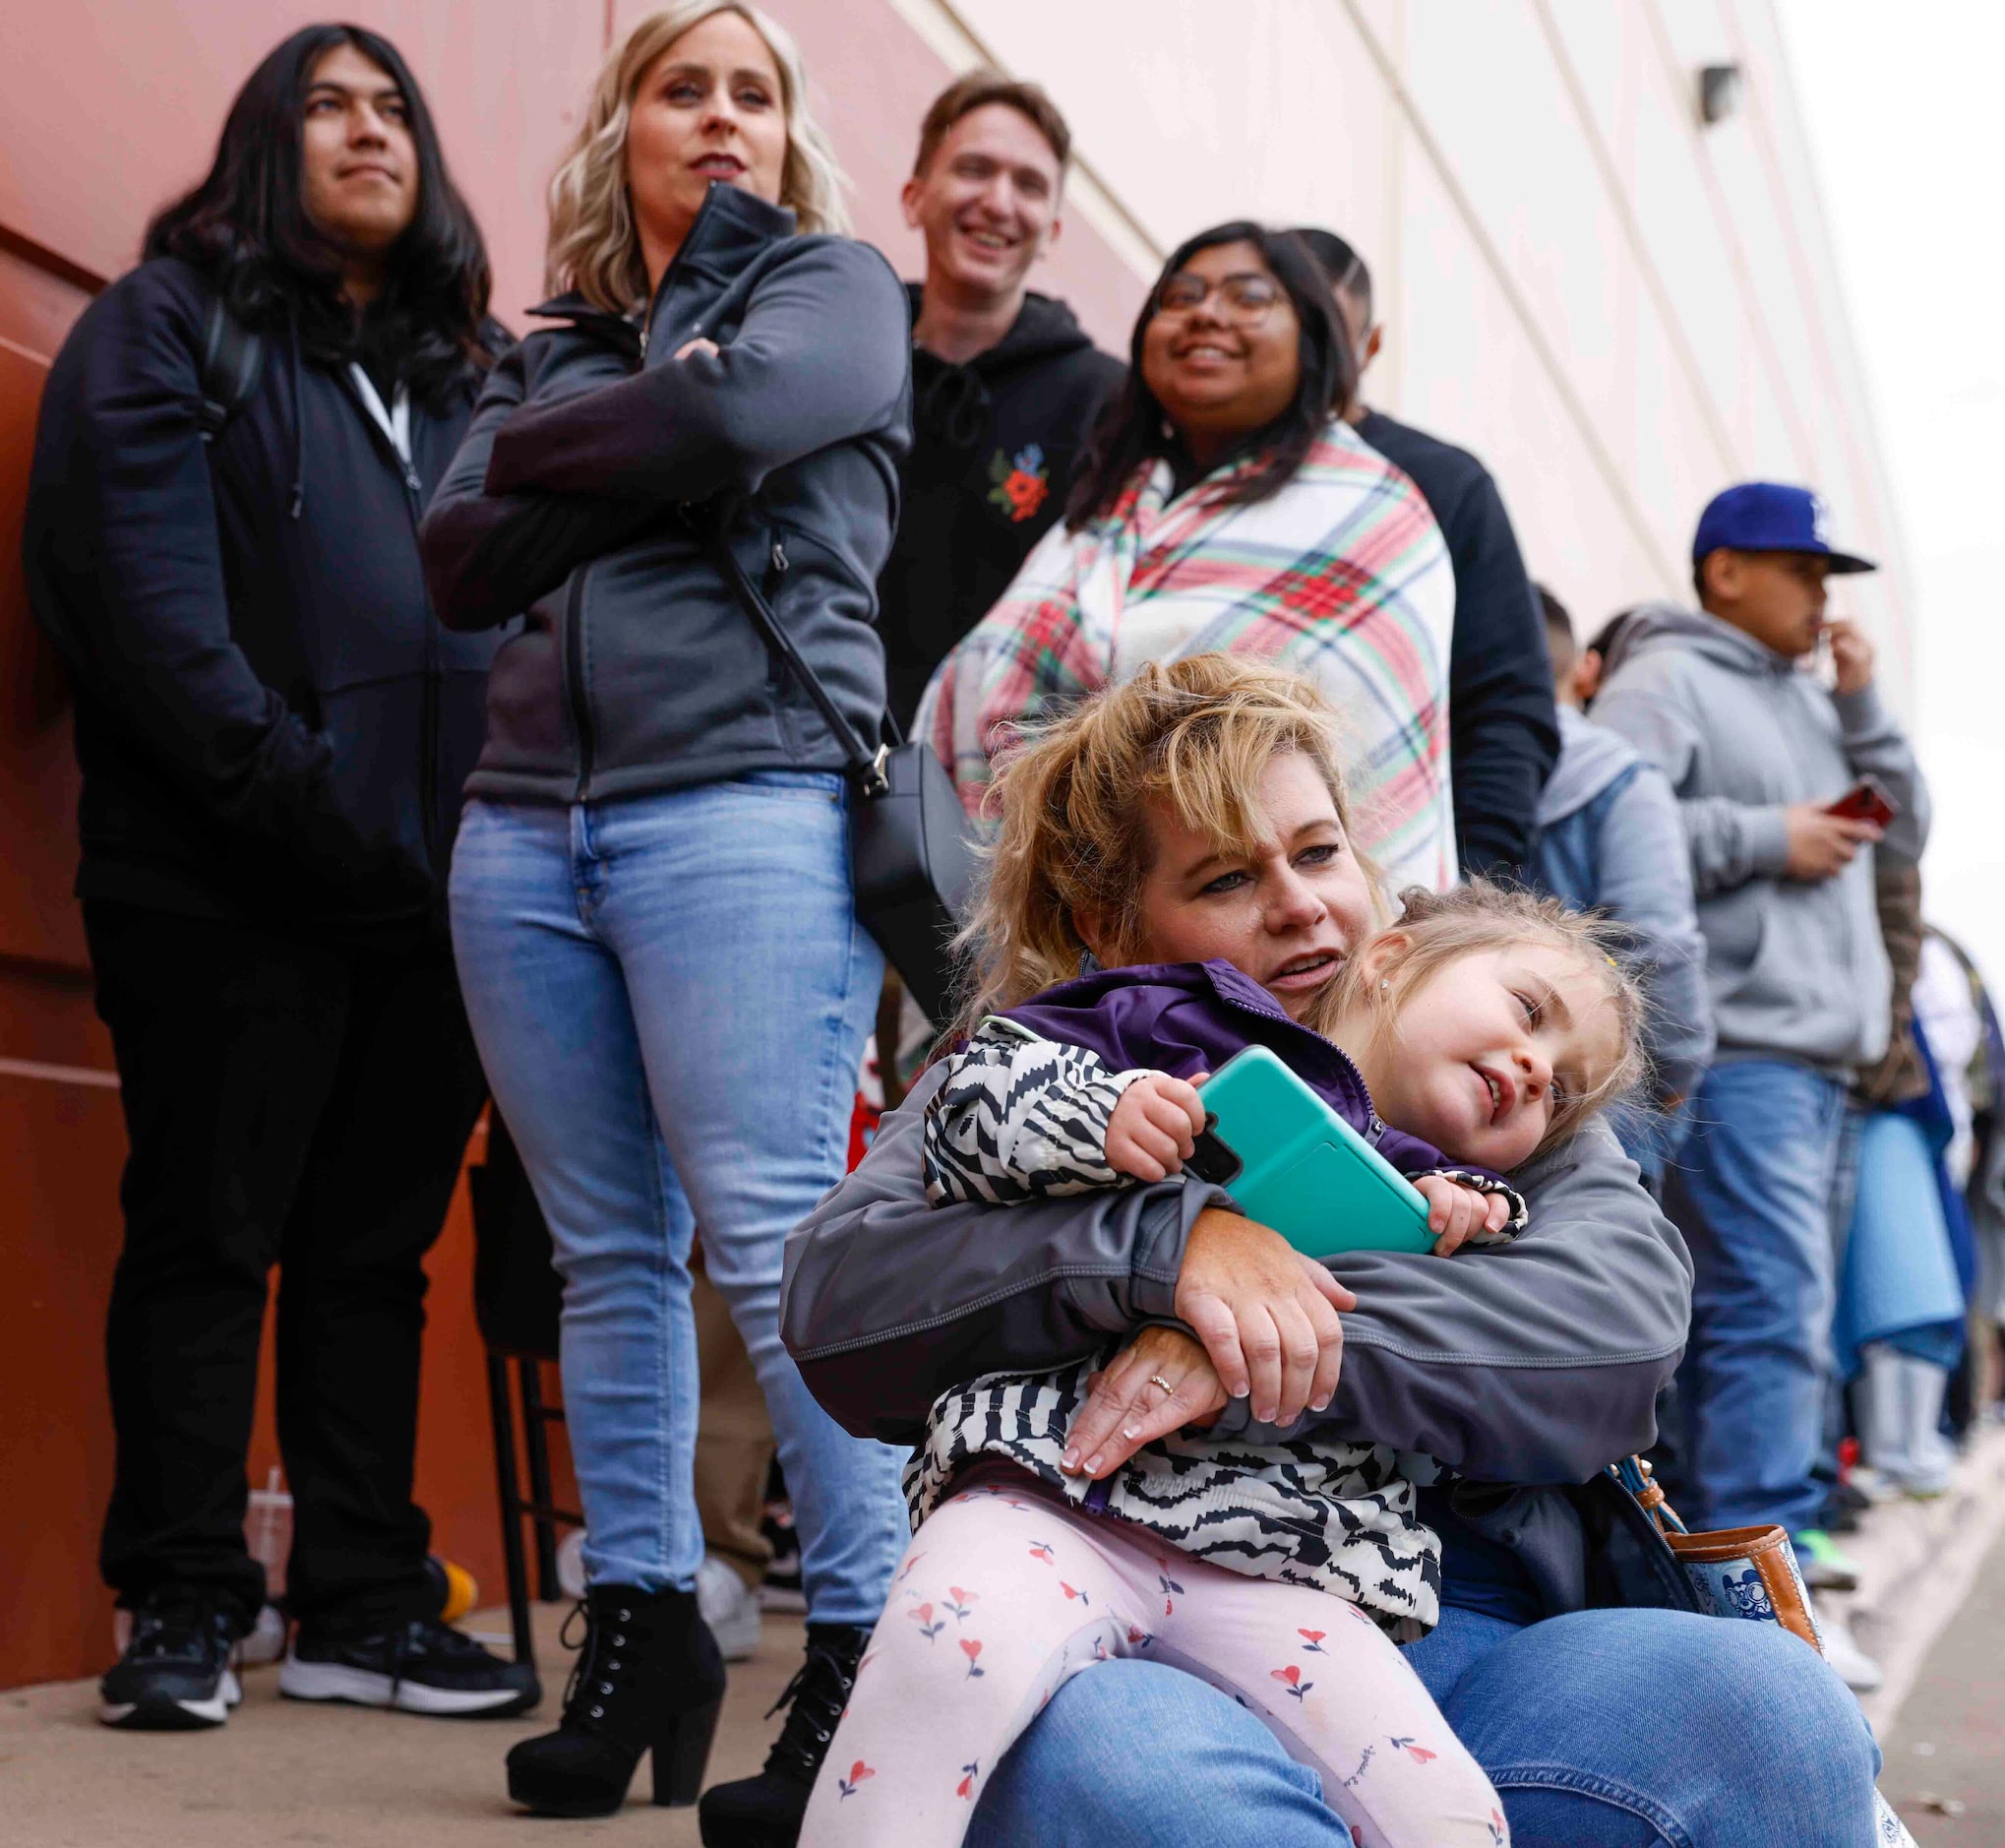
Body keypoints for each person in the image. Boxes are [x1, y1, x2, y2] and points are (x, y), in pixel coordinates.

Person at [783, 655, 1882, 1847]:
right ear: (1111, 926)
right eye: (1225, 877)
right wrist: (1169, 1253)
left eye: (1319, 853)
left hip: (1436, 1614)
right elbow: (843, 1295)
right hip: (1097, 1580)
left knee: (1772, 1708)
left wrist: (1272, 1326)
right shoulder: (1051, 1062)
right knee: (1143, 1781)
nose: (1302, 904)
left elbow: (1611, 1341)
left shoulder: (1487, 1080)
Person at [418, 5, 913, 1835]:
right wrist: (634, 427)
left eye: (751, 91)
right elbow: (456, 558)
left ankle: (864, 1647)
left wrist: (573, 440)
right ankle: (636, 1624)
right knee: (601, 1253)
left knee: (779, 1243)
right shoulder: (543, 342)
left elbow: (731, 404)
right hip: (523, 829)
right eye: (678, 84)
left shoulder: (836, 288)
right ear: (617, 124)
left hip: (749, 804)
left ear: (787, 134)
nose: (717, 115)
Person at [23, 24, 530, 1732]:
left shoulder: (477, 372)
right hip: (224, 880)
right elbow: (144, 608)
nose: (369, 131)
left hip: (433, 897)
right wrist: (314, 806)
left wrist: (468, 852)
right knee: (204, 1236)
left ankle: (363, 1600)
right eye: (328, 104)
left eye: (395, 107)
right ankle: (176, 1600)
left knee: (374, 1255)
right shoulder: (164, 326)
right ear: (264, 141)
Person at [1589, 484, 1931, 1576]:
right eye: (1802, 568)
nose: (1821, 593)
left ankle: (1758, 1544)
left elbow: (1906, 828)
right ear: (1725, 569)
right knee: (1769, 1309)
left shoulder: (1816, 699)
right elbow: (1598, 812)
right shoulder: (1662, 678)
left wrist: (1864, 701)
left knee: (1786, 1311)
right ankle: (1754, 1562)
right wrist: (1762, 836)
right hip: (1742, 1048)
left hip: (1822, 1061)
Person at [919, 221, 1456, 894]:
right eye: (1181, 297)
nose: (1206, 312)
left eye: (1249, 297)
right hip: (1071, 917)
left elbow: (1362, 749)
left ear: (1313, 339)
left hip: (1280, 922)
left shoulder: (1375, 515)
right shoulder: (1104, 513)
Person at [1297, 231, 1558, 882]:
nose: (1299, 352)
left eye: (1322, 330)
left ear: (1370, 345)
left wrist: (1472, 896)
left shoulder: (1440, 485)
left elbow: (1504, 710)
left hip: (1395, 890)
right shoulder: (1171, 476)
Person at [880, 72, 1124, 731]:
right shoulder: (845, 356)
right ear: (914, 197)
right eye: (974, 169)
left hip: (1001, 780)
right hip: (818, 758)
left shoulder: (1106, 400)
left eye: (1029, 185)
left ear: (1051, 230)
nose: (998, 202)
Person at [1535, 585, 1712, 1183]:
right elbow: (1659, 943)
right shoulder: (1620, 775)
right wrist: (1675, 1073)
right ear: (1586, 670)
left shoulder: (1446, 768)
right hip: (1601, 1089)